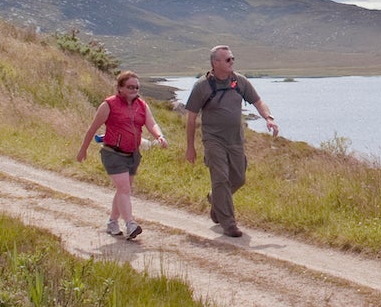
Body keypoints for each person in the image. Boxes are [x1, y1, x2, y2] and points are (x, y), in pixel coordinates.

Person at [183, 45, 278, 238]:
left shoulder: (239, 81)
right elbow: (191, 118)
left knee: (239, 179)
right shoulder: (202, 86)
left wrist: (268, 118)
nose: (232, 62)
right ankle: (229, 224)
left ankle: (215, 199)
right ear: (215, 63)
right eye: (227, 60)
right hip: (213, 140)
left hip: (235, 140)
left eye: (232, 59)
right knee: (220, 179)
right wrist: (190, 147)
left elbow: (258, 102)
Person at [78, 70, 167, 239]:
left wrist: (159, 136)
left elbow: (151, 123)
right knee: (124, 188)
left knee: (123, 190)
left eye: (137, 87)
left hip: (133, 154)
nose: (134, 90)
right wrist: (83, 150)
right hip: (113, 153)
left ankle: (112, 222)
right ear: (120, 88)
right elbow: (93, 128)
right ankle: (130, 224)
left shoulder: (141, 105)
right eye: (130, 87)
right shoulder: (109, 105)